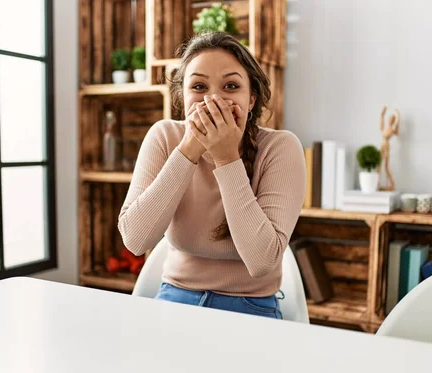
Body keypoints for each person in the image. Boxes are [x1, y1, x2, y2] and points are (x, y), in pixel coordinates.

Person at [118, 32, 306, 319]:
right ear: (183, 96)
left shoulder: (281, 147)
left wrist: (226, 156)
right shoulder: (164, 137)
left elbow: (262, 261)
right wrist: (190, 149)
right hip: (174, 298)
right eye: (199, 86)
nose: (214, 99)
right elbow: (135, 239)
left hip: (251, 307)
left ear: (251, 98)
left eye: (230, 86)